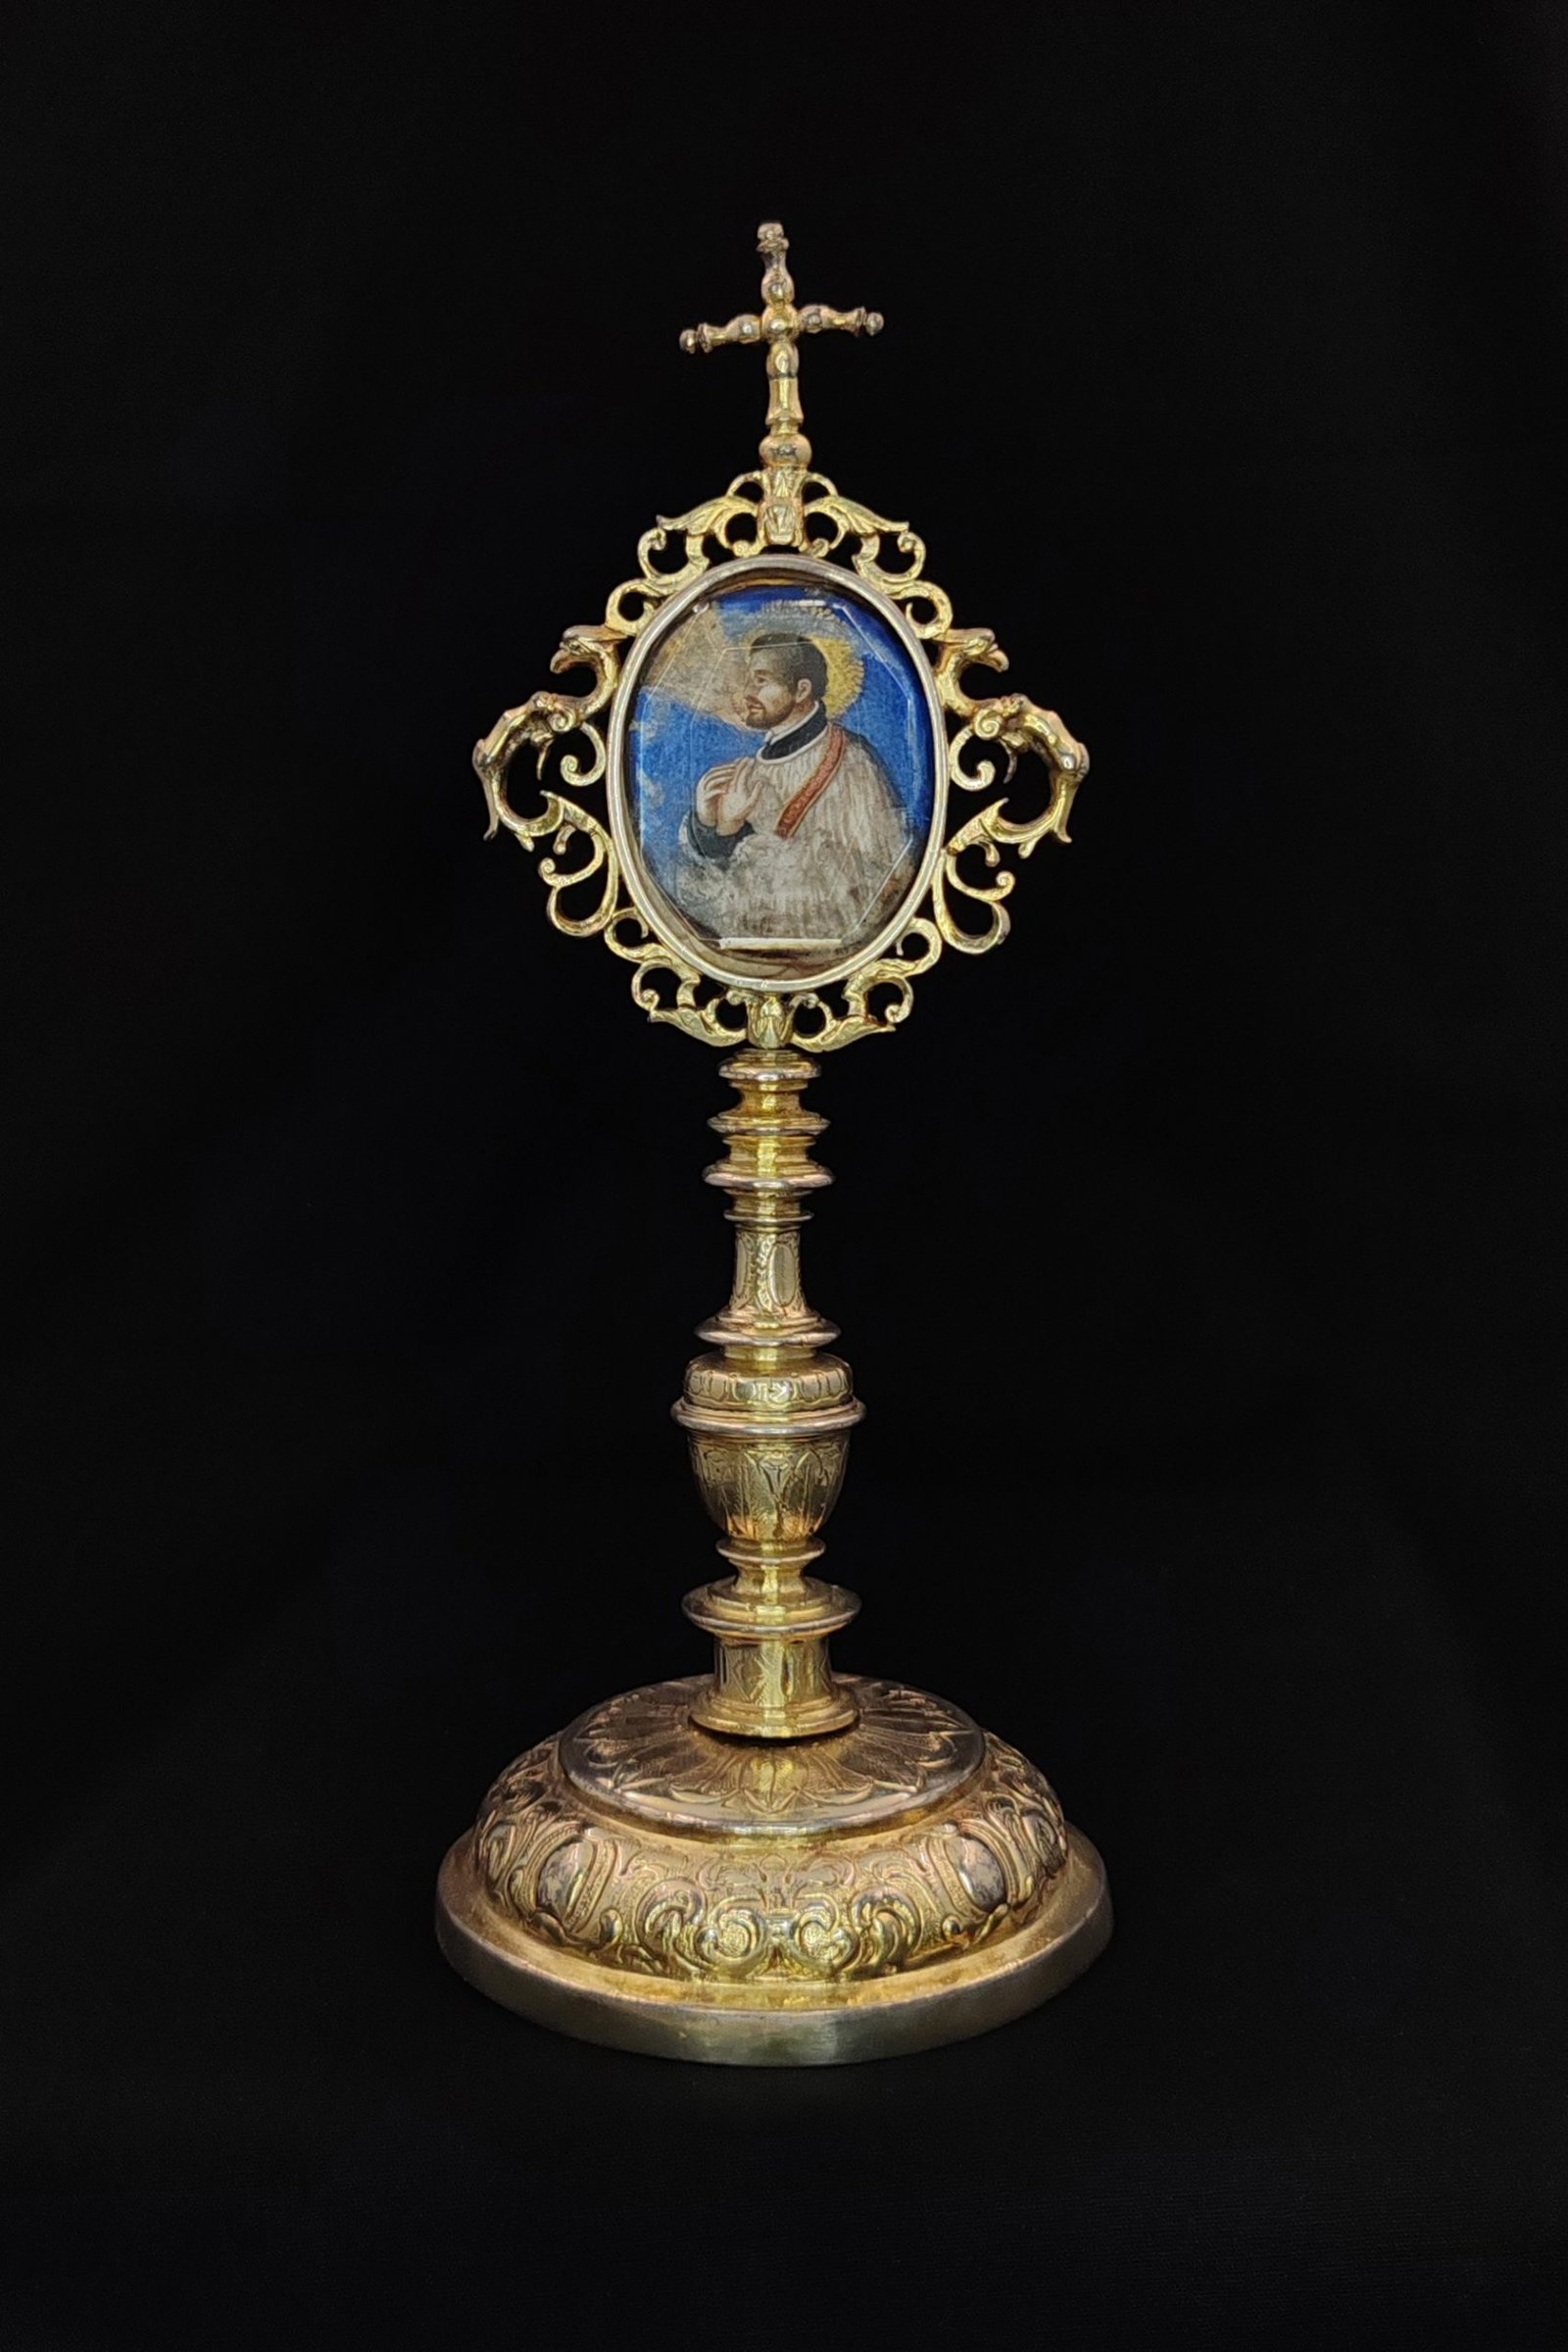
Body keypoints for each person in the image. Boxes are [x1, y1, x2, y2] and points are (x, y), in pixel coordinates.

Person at [674, 632, 911, 947]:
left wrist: (737, 833)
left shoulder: (852, 761)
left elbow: (876, 877)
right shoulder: (752, 768)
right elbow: (718, 891)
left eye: (761, 681)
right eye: (748, 680)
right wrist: (709, 827)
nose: (748, 692)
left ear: (801, 690)